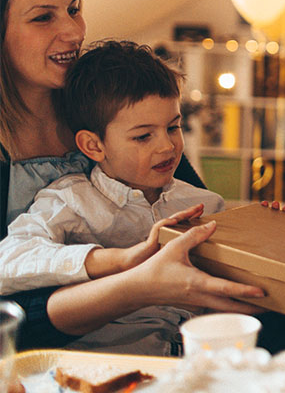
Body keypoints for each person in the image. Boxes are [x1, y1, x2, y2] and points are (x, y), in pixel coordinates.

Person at [0, 0, 266, 351]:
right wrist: (133, 282)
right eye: (42, 18)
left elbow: (185, 205)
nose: (73, 31)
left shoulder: (111, 107)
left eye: (73, 10)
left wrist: (267, 237)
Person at [0, 40, 228, 354]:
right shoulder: (69, 200)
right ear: (94, 146)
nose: (168, 146)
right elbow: (8, 260)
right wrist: (115, 260)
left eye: (173, 128)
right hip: (99, 368)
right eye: (143, 136)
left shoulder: (207, 205)